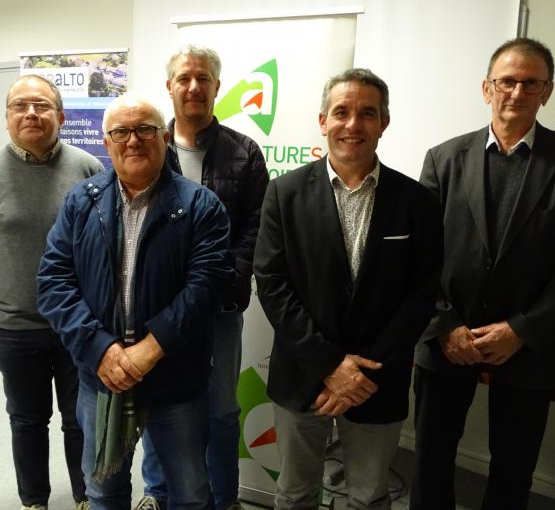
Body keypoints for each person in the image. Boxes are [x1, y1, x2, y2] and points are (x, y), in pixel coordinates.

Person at [253, 68, 442, 510]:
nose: (353, 124)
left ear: (384, 122)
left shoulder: (417, 202)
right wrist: (329, 365)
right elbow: (273, 284)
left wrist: (359, 374)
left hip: (378, 379)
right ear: (323, 121)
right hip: (303, 376)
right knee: (295, 494)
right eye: (342, 112)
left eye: (367, 113)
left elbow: (423, 292)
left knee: (369, 497)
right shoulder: (285, 193)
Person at [36, 93, 234, 510]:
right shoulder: (81, 201)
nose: (133, 140)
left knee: (191, 493)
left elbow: (207, 287)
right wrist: (100, 349)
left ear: (164, 137)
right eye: (120, 132)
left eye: (145, 129)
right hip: (100, 377)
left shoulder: (201, 206)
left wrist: (151, 347)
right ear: (106, 144)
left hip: (175, 377)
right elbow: (54, 281)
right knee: (103, 492)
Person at [410, 38, 555, 510]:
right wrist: (444, 324)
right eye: (506, 81)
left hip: (529, 345)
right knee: (431, 463)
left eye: (530, 83)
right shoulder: (443, 159)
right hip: (447, 338)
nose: (516, 92)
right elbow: (418, 257)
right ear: (486, 88)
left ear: (547, 92)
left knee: (513, 472)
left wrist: (523, 329)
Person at [136, 45, 268, 510]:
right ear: (170, 86)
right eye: (185, 79)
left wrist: (224, 280)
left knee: (222, 408)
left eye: (204, 79)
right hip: (162, 306)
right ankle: (157, 491)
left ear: (217, 87)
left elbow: (257, 225)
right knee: (158, 396)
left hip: (220, 307)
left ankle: (224, 496)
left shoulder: (244, 152)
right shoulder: (151, 145)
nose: (194, 87)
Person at [0, 74, 103, 510]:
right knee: (26, 421)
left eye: (41, 105)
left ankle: (86, 497)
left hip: (77, 325)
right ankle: (34, 502)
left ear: (61, 115)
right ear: (8, 118)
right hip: (15, 326)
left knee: (80, 421)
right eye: (20, 105)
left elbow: (105, 247)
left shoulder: (89, 169)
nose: (31, 114)